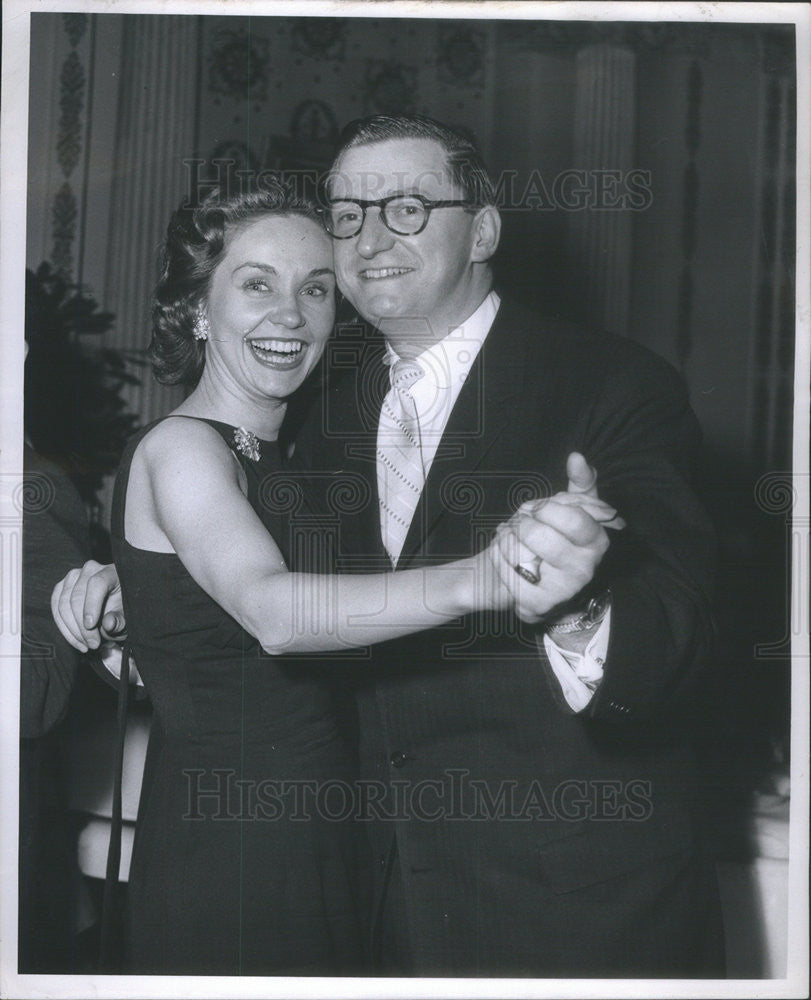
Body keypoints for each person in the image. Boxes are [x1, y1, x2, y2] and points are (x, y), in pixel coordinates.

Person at [53, 115, 722, 977]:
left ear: (481, 228)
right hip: (366, 902)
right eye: (346, 214)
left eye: (404, 208)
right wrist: (147, 593)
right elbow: (273, 615)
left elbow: (680, 636)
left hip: (566, 909)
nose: (368, 238)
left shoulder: (612, 384)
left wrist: (580, 603)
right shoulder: (318, 409)